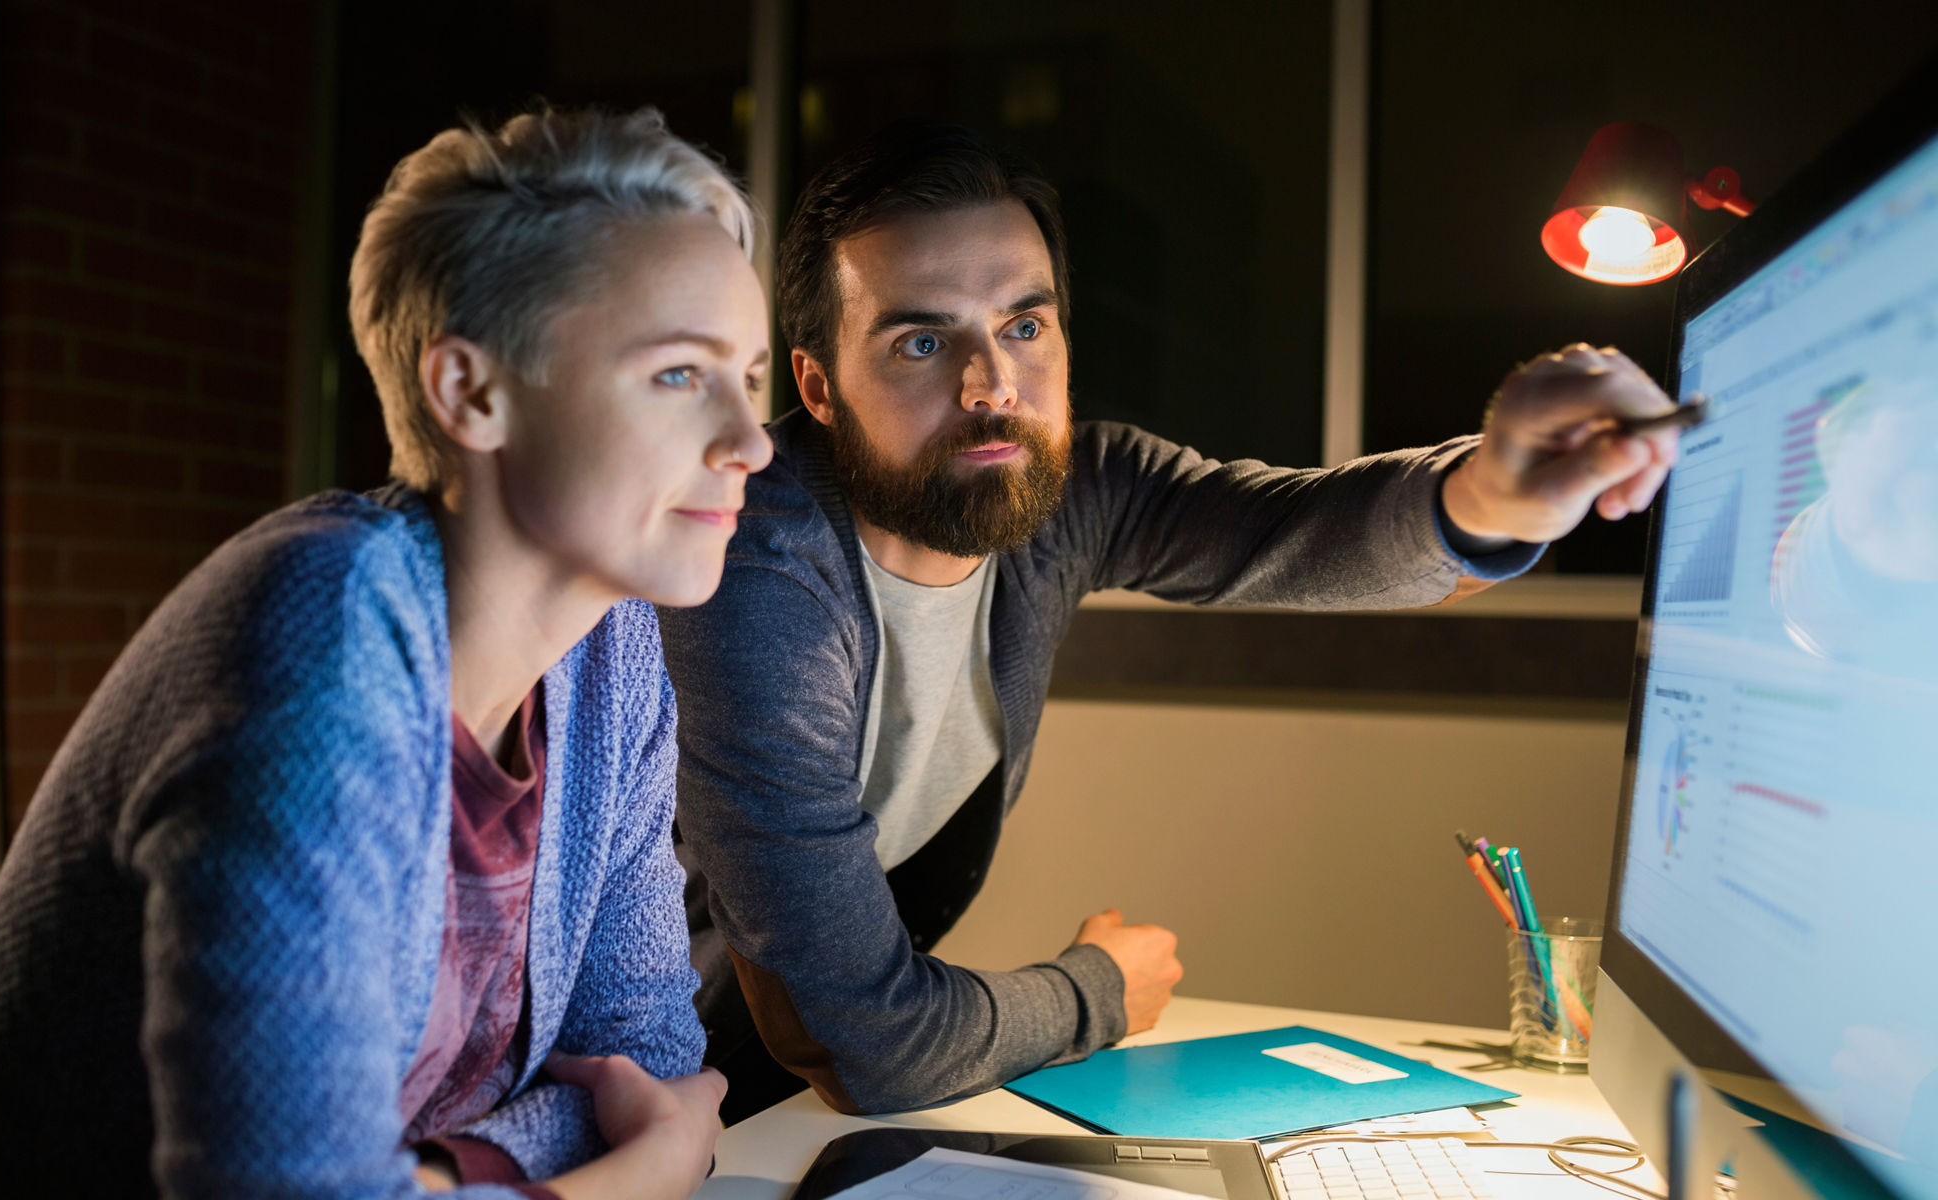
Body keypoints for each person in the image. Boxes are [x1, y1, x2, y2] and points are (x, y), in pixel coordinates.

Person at [657, 122, 1683, 1121]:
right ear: (815, 386)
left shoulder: (1072, 492)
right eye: (921, 341)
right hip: (650, 1086)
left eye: (1023, 325)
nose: (990, 387)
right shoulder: (751, 573)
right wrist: (1096, 987)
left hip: (802, 1102)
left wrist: (1495, 494)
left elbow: (1295, 529)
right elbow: (863, 1042)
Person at [0, 107, 772, 1198]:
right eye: (678, 375)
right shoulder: (323, 629)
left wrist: (428, 1179)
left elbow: (650, 1062)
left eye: (750, 378)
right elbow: (654, 1133)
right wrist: (639, 1176)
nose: (751, 441)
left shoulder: (609, 657)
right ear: (470, 392)